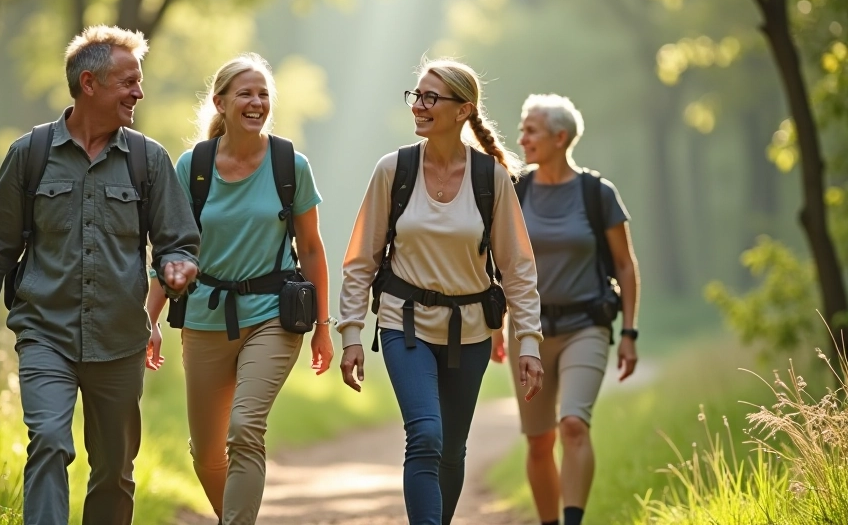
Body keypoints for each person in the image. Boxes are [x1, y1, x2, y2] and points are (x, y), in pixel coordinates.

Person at [0, 25, 200, 525]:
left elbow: (179, 241)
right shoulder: (31, 155)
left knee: (114, 471)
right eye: (128, 82)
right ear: (89, 84)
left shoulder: (149, 160)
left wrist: (178, 268)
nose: (139, 92)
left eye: (140, 81)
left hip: (120, 339)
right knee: (47, 442)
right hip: (46, 333)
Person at [337, 58, 545, 525]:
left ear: (462, 110)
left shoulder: (490, 178)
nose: (419, 106)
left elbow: (518, 269)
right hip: (402, 322)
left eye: (431, 97)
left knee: (452, 450)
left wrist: (528, 342)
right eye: (416, 96)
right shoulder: (394, 170)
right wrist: (351, 333)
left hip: (469, 331)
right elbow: (361, 260)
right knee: (426, 435)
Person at [145, 52, 334, 525]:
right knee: (207, 453)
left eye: (264, 94)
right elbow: (172, 249)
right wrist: (147, 317)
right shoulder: (195, 166)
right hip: (206, 316)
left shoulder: (291, 164)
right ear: (221, 103)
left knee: (245, 429)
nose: (256, 102)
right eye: (245, 94)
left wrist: (324, 327)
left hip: (274, 313)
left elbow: (311, 248)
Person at [493, 94, 641, 525]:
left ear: (561, 137)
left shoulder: (598, 194)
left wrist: (629, 333)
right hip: (529, 333)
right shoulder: (514, 190)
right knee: (539, 441)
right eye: (522, 129)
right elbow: (500, 265)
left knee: (574, 425)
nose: (521, 138)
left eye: (531, 130)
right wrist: (496, 328)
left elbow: (626, 267)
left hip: (585, 327)